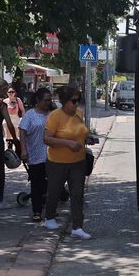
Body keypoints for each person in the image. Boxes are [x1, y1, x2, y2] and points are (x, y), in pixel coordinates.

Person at [44, 84, 91, 240]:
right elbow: (47, 139)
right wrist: (68, 143)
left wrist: (87, 138)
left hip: (78, 161)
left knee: (78, 194)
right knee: (55, 191)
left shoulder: (79, 113)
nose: (77, 104)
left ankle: (77, 227)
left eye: (79, 100)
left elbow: (81, 132)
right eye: (74, 101)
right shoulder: (54, 116)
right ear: (64, 102)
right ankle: (49, 217)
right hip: (57, 162)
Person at [17, 87, 54, 223]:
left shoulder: (52, 114)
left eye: (50, 100)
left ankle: (50, 209)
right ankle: (37, 211)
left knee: (51, 184)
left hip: (52, 155)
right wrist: (23, 150)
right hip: (35, 154)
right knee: (37, 184)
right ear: (38, 100)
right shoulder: (30, 115)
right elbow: (22, 131)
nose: (48, 103)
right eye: (46, 100)